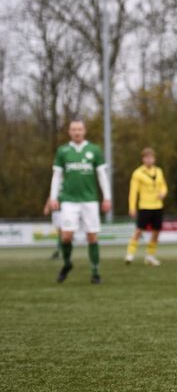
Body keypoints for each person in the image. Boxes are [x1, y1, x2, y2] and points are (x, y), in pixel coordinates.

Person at [48, 119, 112, 284]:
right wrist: (53, 197)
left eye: (79, 129)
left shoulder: (94, 150)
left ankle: (95, 272)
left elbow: (102, 175)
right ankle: (67, 264)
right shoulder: (63, 151)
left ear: (84, 131)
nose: (77, 132)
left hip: (90, 200)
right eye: (74, 129)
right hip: (69, 200)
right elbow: (57, 176)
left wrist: (107, 197)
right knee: (66, 236)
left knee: (92, 236)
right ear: (69, 132)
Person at [126, 147, 168, 266]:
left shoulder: (159, 171)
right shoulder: (137, 173)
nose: (149, 160)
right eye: (147, 158)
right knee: (139, 230)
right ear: (143, 159)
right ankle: (130, 253)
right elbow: (133, 192)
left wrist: (163, 193)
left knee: (156, 232)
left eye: (151, 158)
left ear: (154, 159)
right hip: (145, 206)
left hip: (158, 206)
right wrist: (132, 207)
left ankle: (150, 256)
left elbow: (164, 186)